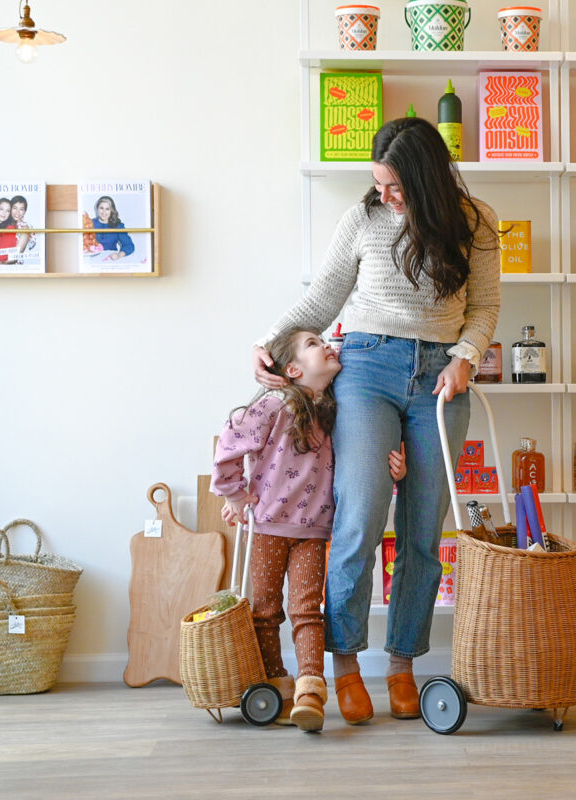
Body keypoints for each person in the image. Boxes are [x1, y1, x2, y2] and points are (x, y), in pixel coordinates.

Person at [252, 116, 499, 725]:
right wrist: (269, 342)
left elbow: (485, 305)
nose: (384, 196)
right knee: (360, 516)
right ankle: (344, 664)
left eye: (396, 186)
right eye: (379, 183)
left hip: (440, 378)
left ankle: (402, 664)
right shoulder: (362, 219)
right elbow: (323, 297)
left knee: (423, 530)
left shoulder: (474, 222)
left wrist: (466, 357)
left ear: (427, 179)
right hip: (366, 369)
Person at [213, 325, 407, 731]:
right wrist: (233, 496)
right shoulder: (274, 405)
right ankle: (277, 688)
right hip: (268, 527)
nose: (328, 346)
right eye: (314, 344)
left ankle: (310, 691)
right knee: (265, 612)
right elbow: (230, 440)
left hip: (313, 532)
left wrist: (393, 472)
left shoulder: (336, 414)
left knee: (306, 611)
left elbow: (359, 463)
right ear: (294, 370)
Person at [88, 195, 134, 260]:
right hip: (92, 259)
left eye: (107, 209)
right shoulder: (89, 223)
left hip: (111, 259)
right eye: (101, 208)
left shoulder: (118, 226)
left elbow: (129, 245)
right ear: (97, 208)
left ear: (111, 210)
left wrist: (119, 255)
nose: (104, 212)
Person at [9, 195, 37, 260]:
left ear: (25, 212)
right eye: (15, 208)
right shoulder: (4, 222)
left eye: (21, 209)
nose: (17, 212)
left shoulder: (26, 227)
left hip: (15, 262)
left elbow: (17, 253)